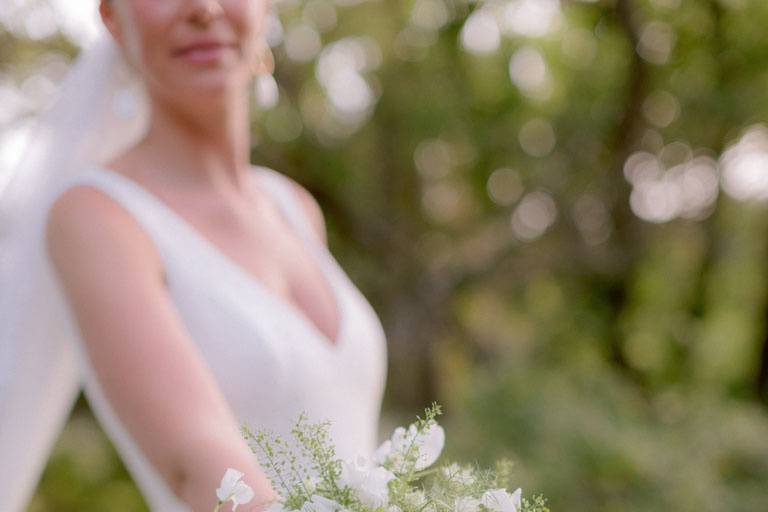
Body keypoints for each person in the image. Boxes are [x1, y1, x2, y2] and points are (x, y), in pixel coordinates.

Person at [0, 1, 388, 510]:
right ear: (113, 19)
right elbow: (198, 470)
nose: (204, 9)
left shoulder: (293, 207)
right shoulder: (96, 219)